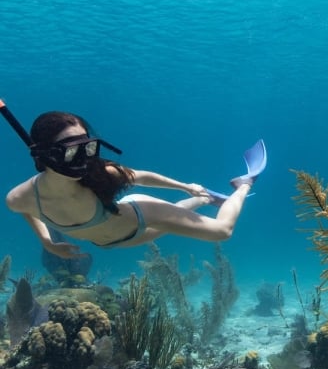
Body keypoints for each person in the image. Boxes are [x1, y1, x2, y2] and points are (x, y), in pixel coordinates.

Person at [5, 110, 267, 259]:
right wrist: (47, 242)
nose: (85, 159)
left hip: (141, 214)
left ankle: (243, 184)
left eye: (89, 147)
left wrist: (183, 186)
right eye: (73, 151)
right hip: (120, 241)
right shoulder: (21, 197)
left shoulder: (100, 173)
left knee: (221, 231)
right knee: (170, 222)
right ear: (46, 155)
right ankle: (203, 198)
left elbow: (140, 176)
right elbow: (27, 210)